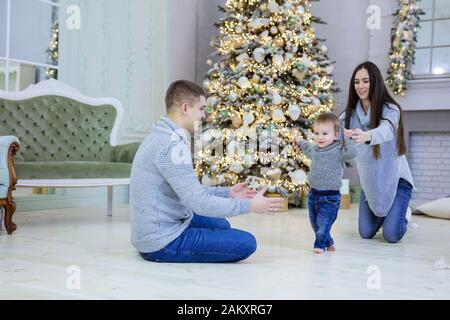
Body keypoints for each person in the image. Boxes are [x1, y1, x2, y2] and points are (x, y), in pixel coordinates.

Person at [129, 80, 285, 263]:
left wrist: (228, 193)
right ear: (185, 108)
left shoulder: (164, 134)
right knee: (247, 242)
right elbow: (198, 202)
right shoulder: (170, 146)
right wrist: (249, 206)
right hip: (161, 242)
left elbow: (189, 190)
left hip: (157, 227)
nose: (204, 115)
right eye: (201, 109)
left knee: (222, 224)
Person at [340, 61, 415, 243]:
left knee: (391, 235)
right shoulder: (350, 114)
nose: (361, 86)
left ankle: (402, 213)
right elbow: (334, 129)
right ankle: (388, 213)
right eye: (357, 82)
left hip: (396, 181)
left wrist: (366, 135)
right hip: (371, 183)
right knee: (365, 233)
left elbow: (387, 130)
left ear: (375, 82)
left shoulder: (391, 109)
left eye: (366, 81)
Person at [294, 113, 357, 254]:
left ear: (335, 135)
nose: (319, 137)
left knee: (323, 225)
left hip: (330, 197)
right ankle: (328, 242)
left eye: (324, 133)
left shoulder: (338, 150)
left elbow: (353, 152)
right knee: (315, 225)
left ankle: (319, 246)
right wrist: (299, 143)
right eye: (316, 133)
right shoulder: (315, 149)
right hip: (314, 194)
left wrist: (346, 137)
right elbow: (307, 148)